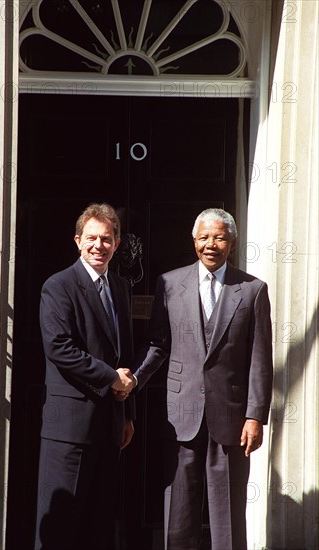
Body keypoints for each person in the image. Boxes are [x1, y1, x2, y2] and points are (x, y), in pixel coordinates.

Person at [129, 208, 273, 550]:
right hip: (181, 413)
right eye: (205, 237)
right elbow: (158, 344)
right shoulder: (169, 283)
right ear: (194, 241)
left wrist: (255, 415)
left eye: (220, 237)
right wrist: (134, 380)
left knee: (228, 516)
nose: (212, 244)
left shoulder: (252, 290)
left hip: (232, 417)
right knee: (179, 510)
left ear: (232, 244)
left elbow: (260, 357)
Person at [34, 203, 136, 550]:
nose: (99, 245)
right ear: (78, 241)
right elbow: (59, 348)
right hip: (70, 430)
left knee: (98, 525)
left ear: (117, 244)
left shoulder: (120, 287)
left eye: (106, 239)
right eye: (91, 238)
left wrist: (127, 413)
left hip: (109, 427)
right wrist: (110, 378)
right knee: (61, 529)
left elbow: (124, 354)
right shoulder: (58, 286)